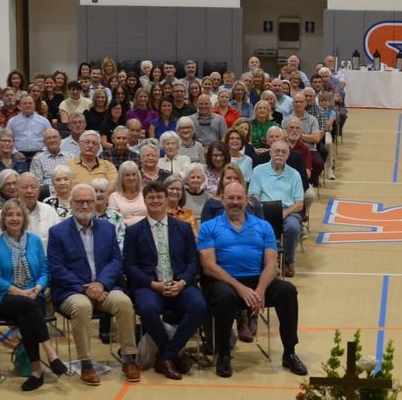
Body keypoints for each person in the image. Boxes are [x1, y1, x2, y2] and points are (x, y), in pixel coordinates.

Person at [197, 178, 305, 377]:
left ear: (246, 200)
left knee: (287, 291)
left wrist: (260, 290)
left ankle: (289, 352)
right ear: (223, 200)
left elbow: (272, 264)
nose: (235, 202)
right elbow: (209, 266)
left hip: (257, 281)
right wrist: (241, 288)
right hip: (223, 282)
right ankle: (223, 354)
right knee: (224, 297)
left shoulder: (263, 226)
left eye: (239, 198)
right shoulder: (209, 227)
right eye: (231, 198)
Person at [46, 183, 142, 384]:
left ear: (95, 202)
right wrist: (86, 288)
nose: (84, 205)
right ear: (71, 204)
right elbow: (57, 269)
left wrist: (100, 284)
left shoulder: (107, 229)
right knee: (81, 307)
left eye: (88, 201)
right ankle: (86, 363)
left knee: (124, 303)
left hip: (104, 287)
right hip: (72, 291)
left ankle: (128, 358)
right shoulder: (57, 232)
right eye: (79, 202)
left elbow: (116, 261)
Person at [123, 180, 208, 380]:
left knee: (199, 305)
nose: (155, 201)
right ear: (144, 201)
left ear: (167, 199)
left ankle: (167, 356)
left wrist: (183, 282)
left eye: (159, 197)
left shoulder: (183, 228)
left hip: (179, 284)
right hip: (151, 286)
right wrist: (153, 284)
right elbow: (130, 267)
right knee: (147, 309)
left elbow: (192, 262)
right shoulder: (133, 231)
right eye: (150, 197)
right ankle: (175, 354)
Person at [0, 200, 67, 390]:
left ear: (24, 218)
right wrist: (21, 292)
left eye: (18, 214)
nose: (14, 218)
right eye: (10, 215)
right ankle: (51, 354)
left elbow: (45, 271)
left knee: (25, 316)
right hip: (4, 296)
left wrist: (38, 288)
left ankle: (37, 372)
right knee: (27, 306)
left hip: (32, 294)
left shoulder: (35, 241)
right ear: (3, 219)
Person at [247, 140, 306, 278]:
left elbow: (299, 203)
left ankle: (287, 261)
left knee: (293, 227)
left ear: (288, 155)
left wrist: (285, 212)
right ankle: (265, 262)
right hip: (264, 209)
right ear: (270, 152)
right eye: (276, 151)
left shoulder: (294, 174)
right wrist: (262, 211)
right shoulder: (258, 171)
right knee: (257, 227)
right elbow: (254, 195)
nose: (280, 154)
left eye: (283, 152)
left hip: (288, 211)